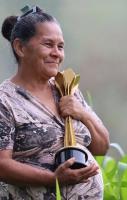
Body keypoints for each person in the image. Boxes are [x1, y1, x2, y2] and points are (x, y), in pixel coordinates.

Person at [0, 5, 110, 200]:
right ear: (20, 47)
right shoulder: (5, 100)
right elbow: (2, 165)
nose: (57, 53)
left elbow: (101, 148)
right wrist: (54, 179)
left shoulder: (65, 87)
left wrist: (82, 113)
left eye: (60, 46)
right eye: (48, 44)